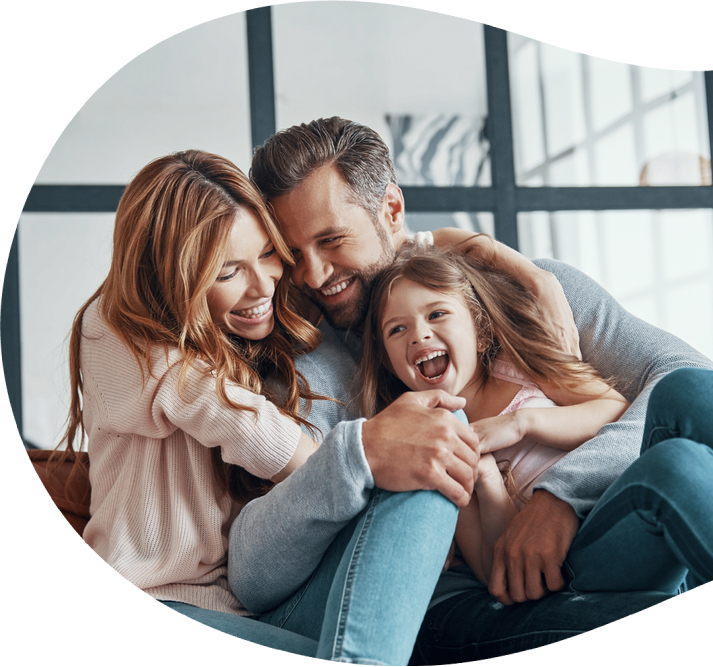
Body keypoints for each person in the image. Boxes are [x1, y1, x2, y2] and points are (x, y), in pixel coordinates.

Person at [229, 116, 713, 661]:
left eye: (332, 240)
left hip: (624, 520)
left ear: (390, 210)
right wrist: (360, 455)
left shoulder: (525, 293)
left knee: (690, 405)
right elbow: (254, 566)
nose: (314, 275)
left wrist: (562, 496)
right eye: (294, 255)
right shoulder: (310, 372)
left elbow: (683, 380)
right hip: (493, 596)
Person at [56, 149, 481, 665]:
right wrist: (362, 455)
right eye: (227, 271)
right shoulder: (115, 329)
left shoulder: (247, 318)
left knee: (437, 423)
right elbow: (230, 417)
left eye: (267, 253)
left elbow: (379, 255)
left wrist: (494, 256)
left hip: (262, 607)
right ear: (173, 276)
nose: (263, 284)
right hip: (166, 596)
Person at [360, 243, 713, 597]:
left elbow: (614, 408)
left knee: (687, 422)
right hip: (579, 558)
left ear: (481, 333)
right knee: (678, 464)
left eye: (436, 315)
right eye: (397, 329)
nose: (418, 334)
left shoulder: (519, 369)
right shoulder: (437, 443)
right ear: (390, 364)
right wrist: (487, 481)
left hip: (616, 497)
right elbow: (492, 568)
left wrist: (522, 422)